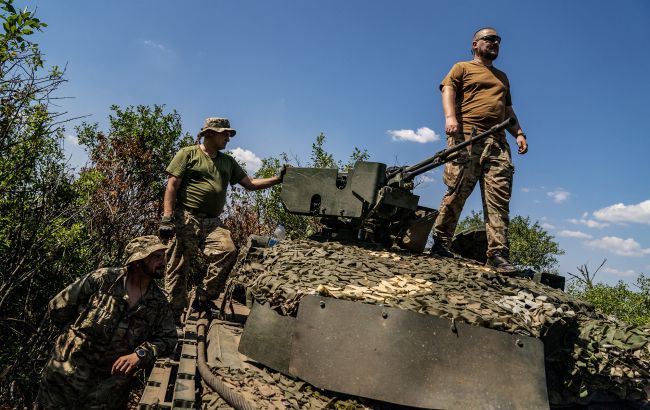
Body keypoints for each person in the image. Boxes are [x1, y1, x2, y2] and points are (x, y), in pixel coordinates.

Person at [159, 117, 284, 321]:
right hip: (186, 217)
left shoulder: (227, 162)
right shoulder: (188, 154)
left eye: (229, 134)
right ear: (209, 133)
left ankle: (202, 298)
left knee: (227, 250)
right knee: (178, 266)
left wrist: (278, 179)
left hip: (212, 221)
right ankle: (170, 318)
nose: (228, 138)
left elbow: (250, 183)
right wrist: (167, 217)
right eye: (224, 133)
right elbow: (172, 185)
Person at [35, 236, 178, 410]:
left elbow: (168, 339)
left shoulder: (158, 303)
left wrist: (140, 354)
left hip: (107, 393)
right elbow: (58, 308)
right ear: (138, 261)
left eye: (163, 256)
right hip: (64, 380)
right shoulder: (103, 280)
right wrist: (72, 342)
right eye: (156, 256)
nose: (163, 261)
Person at [430, 27, 528, 272]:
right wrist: (450, 117)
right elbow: (448, 89)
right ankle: (441, 242)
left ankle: (497, 254)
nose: (495, 42)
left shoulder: (502, 77)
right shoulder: (462, 67)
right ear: (475, 44)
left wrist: (518, 133)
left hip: (497, 144)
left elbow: (507, 110)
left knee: (499, 198)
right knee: (457, 190)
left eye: (498, 40)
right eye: (490, 39)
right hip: (467, 138)